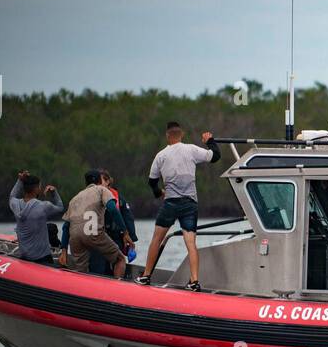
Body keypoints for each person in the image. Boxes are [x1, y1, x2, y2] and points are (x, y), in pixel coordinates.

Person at [137, 121, 221, 289]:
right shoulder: (191, 150)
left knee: (156, 239)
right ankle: (195, 281)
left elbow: (152, 181)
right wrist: (209, 140)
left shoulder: (161, 155)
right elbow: (215, 156)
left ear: (168, 136)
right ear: (181, 134)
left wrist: (159, 193)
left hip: (170, 204)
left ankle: (146, 275)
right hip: (190, 203)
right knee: (191, 243)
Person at [63, 171, 128, 278]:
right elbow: (112, 209)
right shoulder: (102, 189)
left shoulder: (75, 198)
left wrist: (64, 249)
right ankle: (117, 289)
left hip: (74, 237)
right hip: (92, 233)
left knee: (80, 271)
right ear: (99, 181)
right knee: (120, 259)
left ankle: (81, 292)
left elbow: (66, 226)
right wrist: (125, 232)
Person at [9, 171, 64, 265]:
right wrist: (54, 193)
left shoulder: (15, 204)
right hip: (42, 258)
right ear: (36, 189)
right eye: (39, 186)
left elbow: (12, 196)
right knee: (51, 227)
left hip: (25, 258)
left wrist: (19, 180)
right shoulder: (43, 206)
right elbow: (60, 207)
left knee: (50, 227)